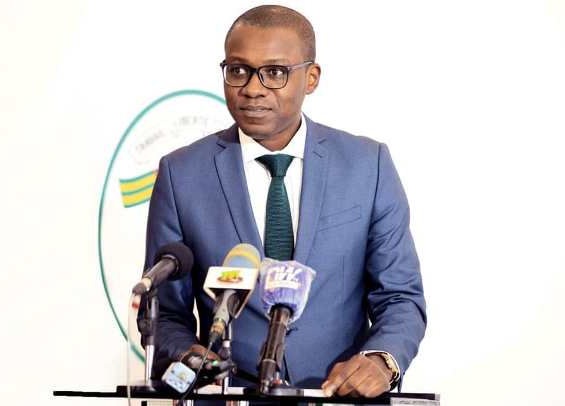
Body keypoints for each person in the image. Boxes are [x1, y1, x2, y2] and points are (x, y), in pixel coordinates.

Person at [141, 5, 426, 398]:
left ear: (311, 78)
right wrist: (188, 355)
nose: (252, 88)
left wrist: (381, 360)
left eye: (274, 72)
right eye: (238, 70)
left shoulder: (367, 165)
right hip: (229, 396)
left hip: (337, 397)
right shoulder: (181, 175)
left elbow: (400, 297)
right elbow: (166, 313)